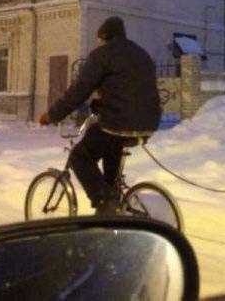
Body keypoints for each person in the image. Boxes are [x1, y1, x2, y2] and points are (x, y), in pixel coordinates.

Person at [39, 17, 162, 215]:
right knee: (110, 144)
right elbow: (129, 90)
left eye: (99, 40)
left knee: (79, 156)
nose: (99, 43)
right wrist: (101, 104)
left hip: (119, 122)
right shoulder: (141, 54)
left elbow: (79, 91)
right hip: (148, 123)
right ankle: (112, 200)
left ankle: (105, 202)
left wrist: (52, 115)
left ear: (104, 36)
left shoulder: (102, 55)